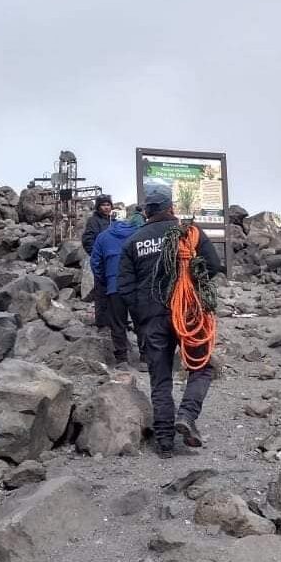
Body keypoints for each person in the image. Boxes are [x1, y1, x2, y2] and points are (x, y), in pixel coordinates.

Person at [118, 188, 221, 458]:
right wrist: (194, 286)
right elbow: (213, 264)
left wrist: (141, 316)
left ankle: (164, 442)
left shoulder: (133, 242)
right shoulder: (190, 233)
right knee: (201, 367)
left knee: (160, 377)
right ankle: (186, 415)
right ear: (171, 208)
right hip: (188, 313)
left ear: (147, 211)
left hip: (152, 318)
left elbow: (125, 287)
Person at [90, 216, 140, 367]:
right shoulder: (138, 234)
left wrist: (104, 280)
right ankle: (145, 358)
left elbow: (95, 262)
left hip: (114, 286)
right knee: (141, 321)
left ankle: (121, 358)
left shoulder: (103, 236)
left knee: (118, 323)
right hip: (136, 286)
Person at [82, 194, 113, 327]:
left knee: (113, 291)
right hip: (101, 262)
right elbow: (88, 241)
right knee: (101, 292)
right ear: (98, 207)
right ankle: (101, 323)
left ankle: (113, 320)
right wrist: (97, 257)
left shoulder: (112, 221)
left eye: (108, 205)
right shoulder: (93, 221)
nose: (106, 208)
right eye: (103, 205)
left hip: (112, 263)